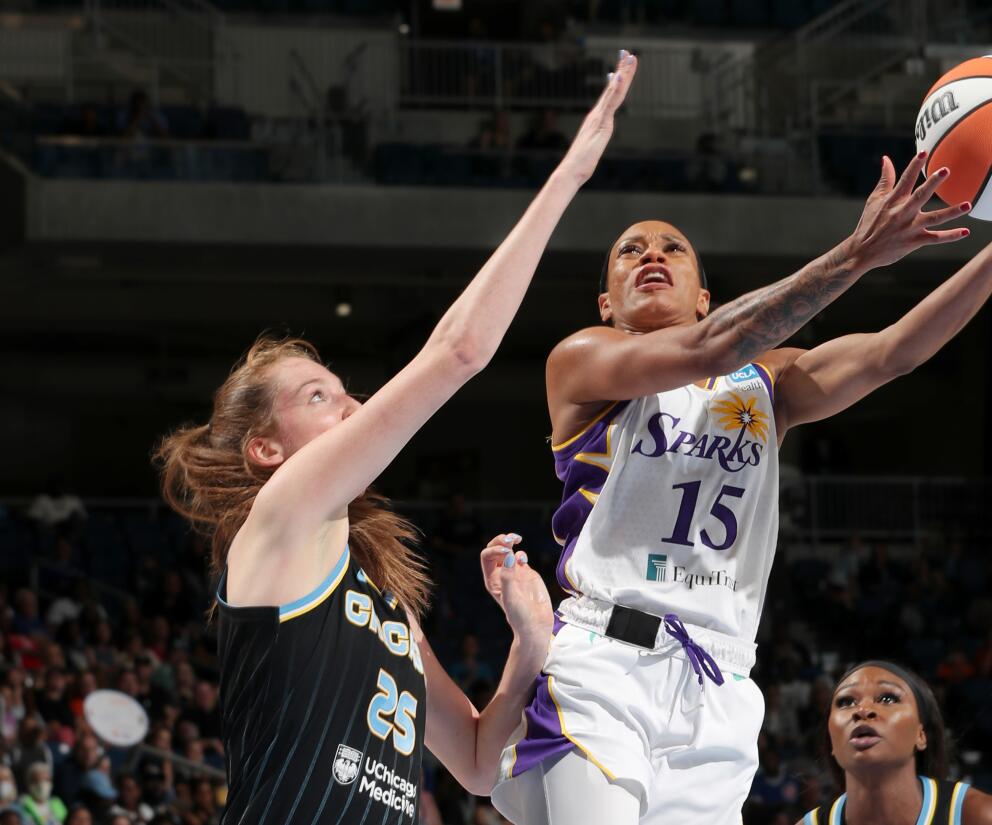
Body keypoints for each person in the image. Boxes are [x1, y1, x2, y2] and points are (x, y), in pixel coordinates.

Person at [491, 152, 992, 824]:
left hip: (719, 681)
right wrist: (856, 254)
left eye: (672, 248)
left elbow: (895, 352)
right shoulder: (583, 361)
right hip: (606, 662)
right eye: (630, 251)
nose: (651, 254)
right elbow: (709, 350)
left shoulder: (766, 384)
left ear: (703, 297)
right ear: (607, 302)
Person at [152, 52, 640, 824]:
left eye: (349, 390)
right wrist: (569, 176)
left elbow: (479, 763)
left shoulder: (385, 608)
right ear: (267, 450)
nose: (353, 406)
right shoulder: (277, 525)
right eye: (320, 396)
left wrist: (528, 639)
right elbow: (460, 352)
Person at [799, 661, 992, 824]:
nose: (863, 710)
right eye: (845, 702)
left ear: (921, 734)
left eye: (888, 698)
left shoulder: (988, 818)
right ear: (832, 740)